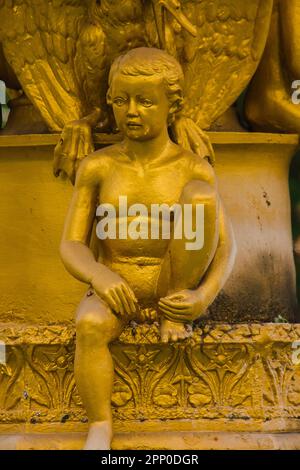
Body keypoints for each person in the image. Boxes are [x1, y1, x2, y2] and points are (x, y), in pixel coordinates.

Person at [60, 47, 236, 450]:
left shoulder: (192, 167)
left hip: (172, 284)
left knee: (200, 199)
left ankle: (172, 311)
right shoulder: (98, 167)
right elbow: (71, 242)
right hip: (116, 285)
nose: (132, 111)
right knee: (88, 325)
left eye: (145, 101)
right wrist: (99, 275)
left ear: (172, 106)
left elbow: (225, 246)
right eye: (121, 101)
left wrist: (200, 296)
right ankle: (100, 424)